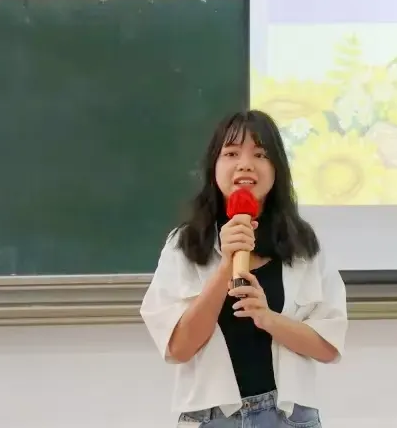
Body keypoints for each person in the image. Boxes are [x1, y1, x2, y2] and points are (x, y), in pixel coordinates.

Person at [141, 110, 347, 427]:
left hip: (289, 418)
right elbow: (179, 348)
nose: (245, 164)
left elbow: (328, 347)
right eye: (232, 153)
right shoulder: (184, 244)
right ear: (214, 166)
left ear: (277, 169)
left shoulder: (303, 245)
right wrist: (226, 263)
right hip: (212, 419)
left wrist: (268, 318)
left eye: (260, 155)